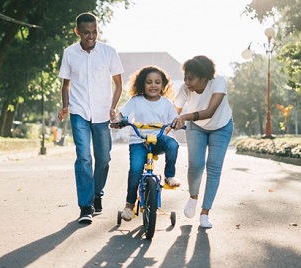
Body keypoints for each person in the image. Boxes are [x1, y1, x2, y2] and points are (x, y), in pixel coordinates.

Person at [57, 12, 123, 224]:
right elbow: (65, 84)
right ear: (77, 32)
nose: (91, 36)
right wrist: (66, 106)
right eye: (86, 32)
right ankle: (85, 206)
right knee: (84, 157)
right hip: (79, 112)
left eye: (94, 31)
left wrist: (113, 107)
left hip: (103, 113)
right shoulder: (69, 53)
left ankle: (97, 194)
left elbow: (118, 84)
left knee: (103, 159)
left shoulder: (109, 52)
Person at [113, 66, 180, 221]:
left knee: (173, 144)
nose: (153, 85)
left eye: (157, 82)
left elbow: (174, 120)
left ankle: (170, 176)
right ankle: (129, 205)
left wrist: (176, 124)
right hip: (139, 140)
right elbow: (121, 115)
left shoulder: (166, 103)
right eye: (149, 82)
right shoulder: (136, 101)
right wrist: (117, 121)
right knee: (136, 170)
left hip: (158, 140)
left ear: (163, 85)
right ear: (142, 84)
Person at [172, 55, 233, 228]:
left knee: (214, 167)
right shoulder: (185, 88)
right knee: (196, 164)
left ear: (204, 77)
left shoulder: (218, 83)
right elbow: (173, 111)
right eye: (185, 77)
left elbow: (210, 111)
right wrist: (167, 126)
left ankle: (205, 213)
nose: (186, 82)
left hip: (221, 126)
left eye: (191, 78)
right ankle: (193, 197)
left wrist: (184, 116)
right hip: (196, 127)